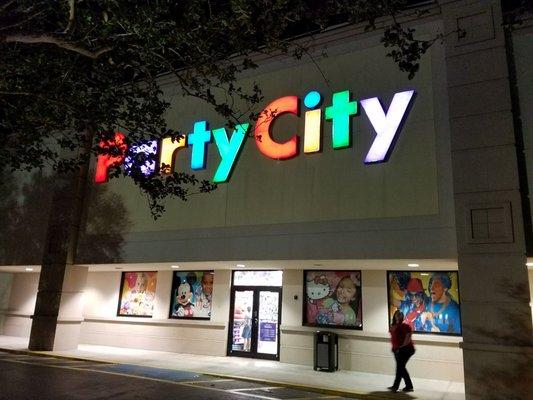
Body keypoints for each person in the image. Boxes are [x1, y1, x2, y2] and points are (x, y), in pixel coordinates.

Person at [388, 310, 415, 393]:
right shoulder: (393, 326)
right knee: (401, 368)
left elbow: (408, 337)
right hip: (397, 350)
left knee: (400, 368)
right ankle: (409, 386)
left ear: (402, 316)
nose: (398, 316)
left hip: (406, 349)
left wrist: (401, 347)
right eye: (397, 314)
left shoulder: (405, 326)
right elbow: (394, 338)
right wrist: (394, 348)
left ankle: (395, 387)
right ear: (394, 315)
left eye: (400, 314)